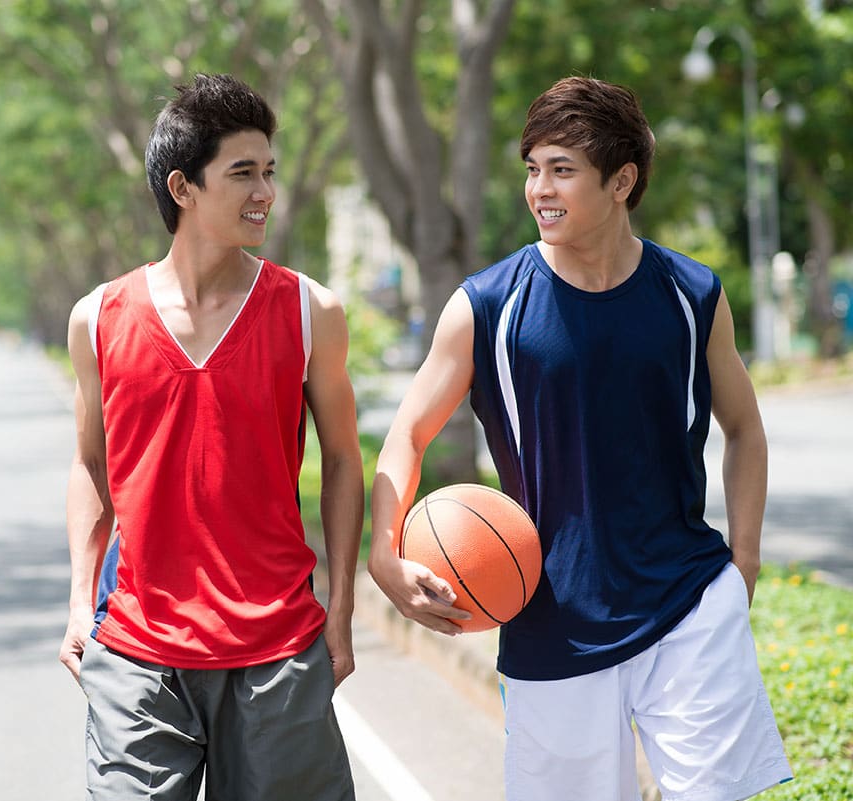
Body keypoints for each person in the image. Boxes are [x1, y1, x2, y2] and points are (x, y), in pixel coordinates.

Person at [369, 76, 793, 801]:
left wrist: (742, 562)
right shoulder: (487, 307)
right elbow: (407, 432)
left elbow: (745, 428)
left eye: (562, 168)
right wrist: (384, 553)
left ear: (621, 180)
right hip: (551, 621)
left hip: (689, 602)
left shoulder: (692, 294)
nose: (539, 188)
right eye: (533, 168)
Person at [59, 73, 363, 801]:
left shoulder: (308, 311)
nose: (265, 191)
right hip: (137, 649)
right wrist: (78, 598)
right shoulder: (97, 317)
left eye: (269, 172)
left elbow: (345, 460)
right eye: (243, 173)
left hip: (277, 649)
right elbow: (90, 467)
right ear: (183, 187)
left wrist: (342, 609)